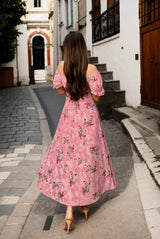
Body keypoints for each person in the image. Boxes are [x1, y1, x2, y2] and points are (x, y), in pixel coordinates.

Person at [37, 31, 116, 234]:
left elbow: (60, 90)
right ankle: (85, 205)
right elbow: (97, 98)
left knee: (68, 162)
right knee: (87, 162)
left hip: (69, 120)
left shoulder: (62, 67)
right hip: (88, 121)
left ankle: (70, 212)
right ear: (82, 47)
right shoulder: (90, 68)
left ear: (67, 48)